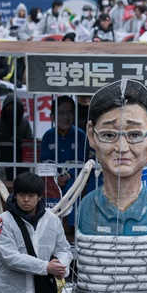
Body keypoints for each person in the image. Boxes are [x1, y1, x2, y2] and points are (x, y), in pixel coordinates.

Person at [77, 80, 147, 293]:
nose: (122, 148)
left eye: (135, 135)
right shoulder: (86, 207)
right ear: (91, 134)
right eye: (109, 135)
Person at [40, 96, 89, 233]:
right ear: (52, 116)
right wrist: (55, 176)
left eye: (70, 113)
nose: (66, 117)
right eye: (61, 113)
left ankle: (73, 227)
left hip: (75, 177)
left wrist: (67, 175)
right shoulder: (48, 136)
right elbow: (45, 161)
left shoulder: (80, 135)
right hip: (52, 177)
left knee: (74, 185)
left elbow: (82, 162)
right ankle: (47, 226)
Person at [0, 94, 33, 181]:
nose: (12, 111)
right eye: (9, 108)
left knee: (21, 190)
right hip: (1, 165)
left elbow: (30, 144)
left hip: (21, 166)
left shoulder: (24, 123)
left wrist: (21, 142)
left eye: (15, 108)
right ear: (4, 109)